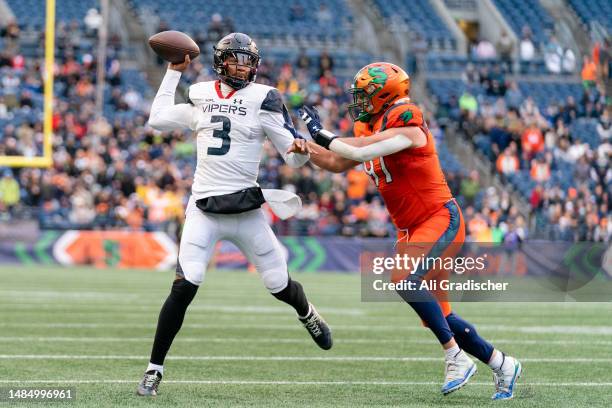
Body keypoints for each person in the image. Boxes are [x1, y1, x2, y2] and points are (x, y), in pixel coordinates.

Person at [290, 62, 522, 400]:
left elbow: (358, 150)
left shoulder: (407, 117)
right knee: (438, 317)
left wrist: (320, 134)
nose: (359, 101)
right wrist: (306, 147)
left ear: (386, 93)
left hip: (438, 217)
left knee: (402, 278)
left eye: (365, 95)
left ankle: (455, 357)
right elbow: (338, 161)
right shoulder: (370, 124)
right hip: (411, 229)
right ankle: (502, 363)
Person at [137, 32, 332, 397]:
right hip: (204, 208)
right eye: (235, 59)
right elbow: (158, 120)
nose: (242, 66)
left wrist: (302, 150)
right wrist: (172, 72)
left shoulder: (265, 98)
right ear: (220, 61)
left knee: (278, 285)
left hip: (245, 209)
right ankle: (154, 369)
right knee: (184, 286)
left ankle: (308, 313)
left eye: (248, 60)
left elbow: (290, 154)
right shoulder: (201, 93)